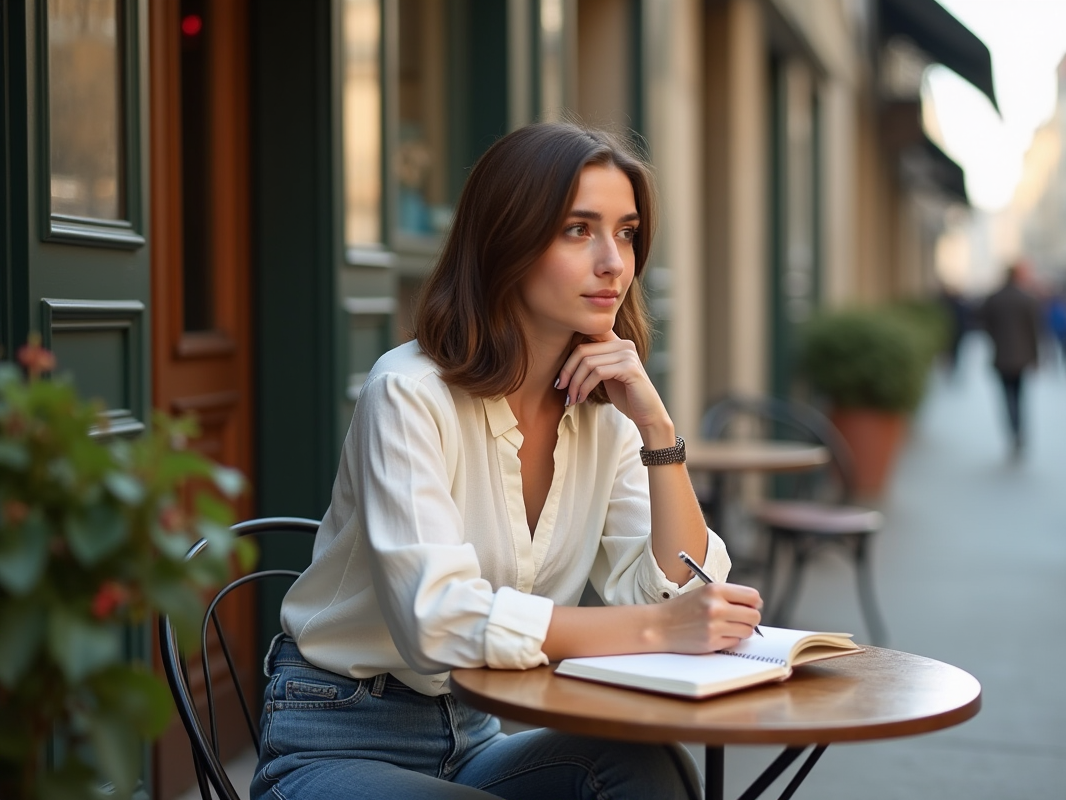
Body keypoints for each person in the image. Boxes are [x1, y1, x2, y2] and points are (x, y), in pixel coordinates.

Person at [249, 122, 762, 800]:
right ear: (507, 243)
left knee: (649, 769)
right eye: (579, 230)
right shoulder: (407, 393)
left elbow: (673, 591)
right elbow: (438, 621)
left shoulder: (605, 413)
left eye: (627, 232)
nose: (613, 262)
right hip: (337, 734)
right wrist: (654, 628)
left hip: (481, 731)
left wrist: (657, 428)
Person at [979, 261, 1041, 457]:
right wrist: (1035, 357)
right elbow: (1034, 331)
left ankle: (1013, 431)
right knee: (1020, 396)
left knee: (1007, 397)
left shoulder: (994, 298)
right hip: (1022, 358)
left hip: (1002, 356)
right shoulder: (1027, 299)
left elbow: (985, 325)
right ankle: (1019, 431)